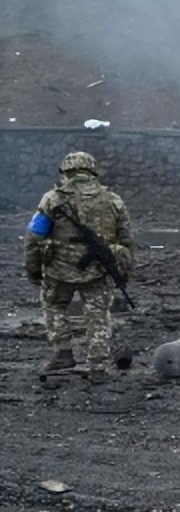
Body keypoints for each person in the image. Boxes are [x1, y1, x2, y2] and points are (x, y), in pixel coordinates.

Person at [23, 151, 134, 383]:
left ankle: (63, 351)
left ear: (65, 172)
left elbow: (34, 237)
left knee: (54, 306)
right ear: (92, 171)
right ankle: (98, 367)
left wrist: (33, 269)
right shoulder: (113, 200)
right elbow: (126, 241)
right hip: (98, 270)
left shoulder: (52, 199)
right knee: (98, 316)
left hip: (58, 270)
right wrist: (123, 272)